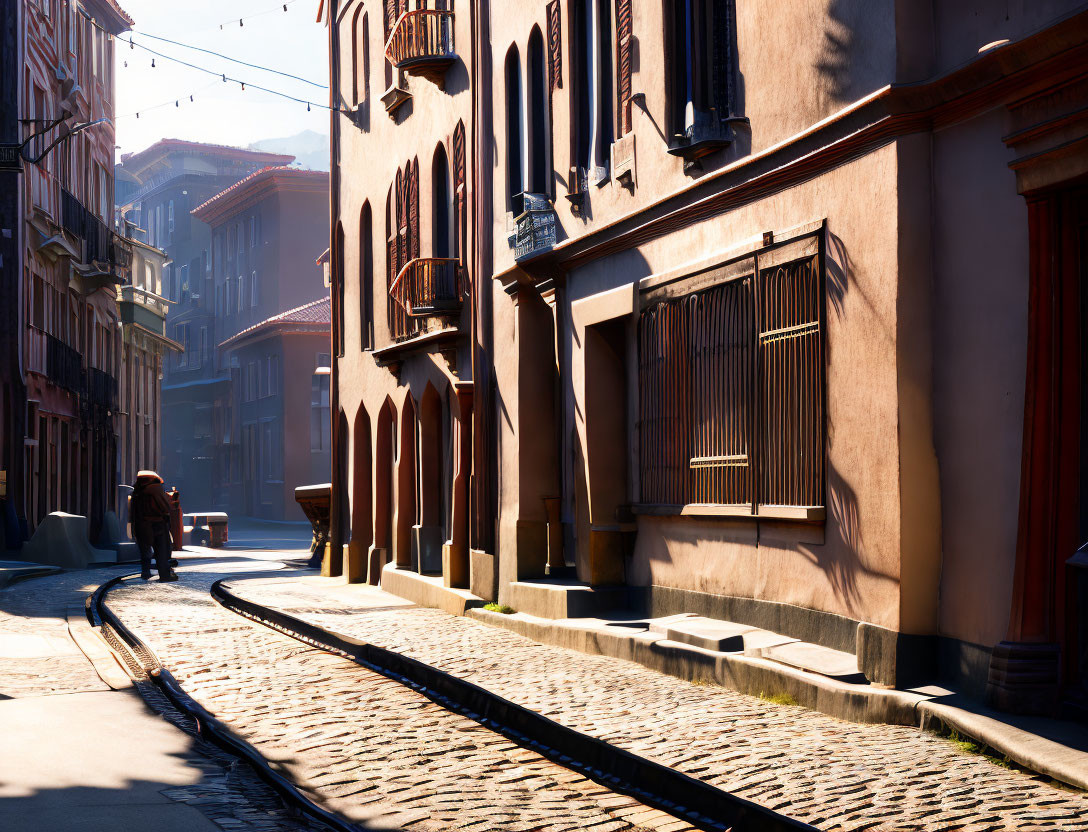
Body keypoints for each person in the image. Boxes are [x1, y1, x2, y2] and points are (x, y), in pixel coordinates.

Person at [130, 471, 178, 582]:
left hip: (141, 524)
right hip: (157, 523)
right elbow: (165, 506)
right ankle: (164, 575)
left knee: (145, 551)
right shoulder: (156, 488)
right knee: (161, 550)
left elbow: (133, 512)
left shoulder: (136, 491)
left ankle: (145, 572)